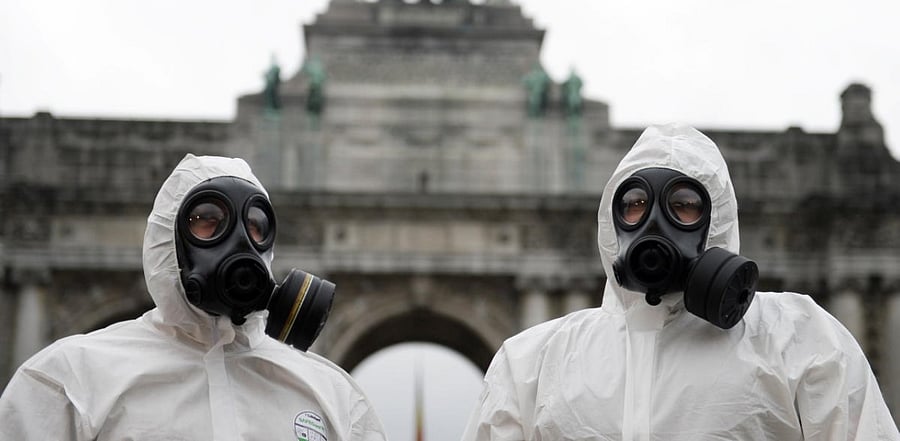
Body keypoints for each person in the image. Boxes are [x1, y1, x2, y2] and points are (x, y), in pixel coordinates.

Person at [461, 123, 900, 440]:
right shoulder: (529, 363)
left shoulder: (801, 337)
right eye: (633, 203)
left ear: (719, 221)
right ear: (612, 222)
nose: (653, 222)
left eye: (684, 204)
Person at [0, 154, 387, 441]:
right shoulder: (69, 380)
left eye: (255, 225)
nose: (239, 242)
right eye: (208, 221)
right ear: (169, 241)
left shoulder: (334, 396)